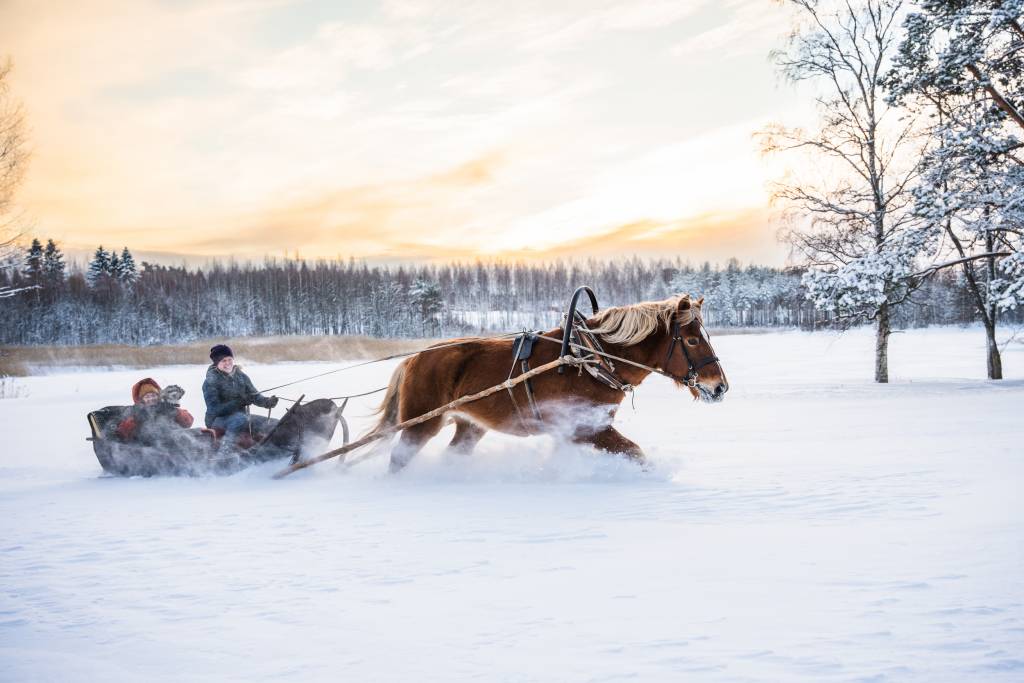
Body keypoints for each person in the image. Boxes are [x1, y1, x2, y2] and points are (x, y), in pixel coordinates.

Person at [202, 344, 279, 449]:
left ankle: (273, 449)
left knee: (271, 423)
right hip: (217, 420)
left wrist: (267, 402)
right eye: (223, 361)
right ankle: (225, 450)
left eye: (229, 359)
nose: (227, 363)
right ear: (216, 363)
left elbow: (254, 396)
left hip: (242, 417)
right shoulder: (210, 382)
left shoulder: (241, 376)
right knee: (240, 419)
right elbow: (214, 410)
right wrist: (239, 402)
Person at [116, 378, 195, 448]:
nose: (151, 399)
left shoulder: (165, 407)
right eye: (147, 396)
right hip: (146, 449)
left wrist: (175, 411)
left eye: (153, 395)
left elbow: (188, 422)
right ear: (141, 399)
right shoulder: (134, 411)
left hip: (171, 445)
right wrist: (135, 420)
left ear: (158, 396)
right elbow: (122, 433)